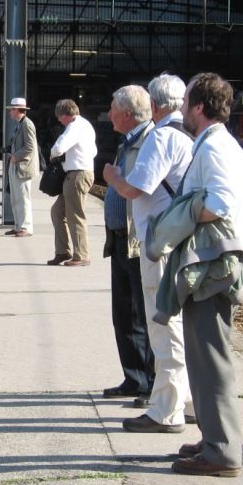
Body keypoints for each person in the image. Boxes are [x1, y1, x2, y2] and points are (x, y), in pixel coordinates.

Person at [150, 72, 243, 477]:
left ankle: (222, 452)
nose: (181, 110)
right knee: (202, 355)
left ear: (198, 106)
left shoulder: (214, 149)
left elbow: (220, 203)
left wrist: (185, 214)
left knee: (210, 359)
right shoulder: (214, 144)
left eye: (186, 101)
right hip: (212, 261)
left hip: (214, 263)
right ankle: (213, 437)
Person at [103, 75, 194, 432]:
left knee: (163, 324)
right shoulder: (190, 137)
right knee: (177, 326)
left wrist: (112, 177)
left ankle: (165, 410)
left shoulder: (162, 137)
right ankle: (184, 400)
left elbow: (135, 188)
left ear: (153, 106)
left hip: (161, 245)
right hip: (179, 242)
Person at [99, 85, 155, 399]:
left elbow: (137, 188)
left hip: (138, 239)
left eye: (112, 108)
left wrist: (112, 179)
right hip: (120, 239)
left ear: (128, 114)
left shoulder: (149, 141)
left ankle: (149, 381)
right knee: (124, 313)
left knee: (142, 314)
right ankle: (134, 378)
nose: (109, 114)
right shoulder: (128, 140)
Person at [47, 98, 97, 266]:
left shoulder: (74, 127)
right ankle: (63, 251)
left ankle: (82, 255)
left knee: (75, 215)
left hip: (77, 175)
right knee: (57, 212)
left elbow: (59, 147)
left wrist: (52, 154)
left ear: (65, 115)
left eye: (60, 117)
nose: (59, 121)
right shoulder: (86, 125)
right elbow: (94, 151)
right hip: (76, 174)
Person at [4, 97, 39, 237]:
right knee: (16, 197)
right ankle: (18, 225)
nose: (10, 113)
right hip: (17, 165)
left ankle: (25, 227)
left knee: (23, 198)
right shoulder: (21, 123)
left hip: (22, 166)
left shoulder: (27, 124)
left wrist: (15, 156)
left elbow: (30, 147)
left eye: (11, 110)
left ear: (17, 110)